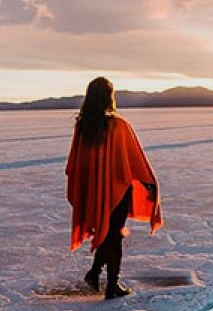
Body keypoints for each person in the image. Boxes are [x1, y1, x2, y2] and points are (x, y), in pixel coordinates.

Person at [66, 77, 163, 299]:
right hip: (118, 190)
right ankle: (112, 285)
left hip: (94, 190)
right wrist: (149, 182)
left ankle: (94, 273)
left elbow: (75, 164)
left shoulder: (83, 127)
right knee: (114, 236)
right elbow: (133, 159)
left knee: (108, 234)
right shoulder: (119, 126)